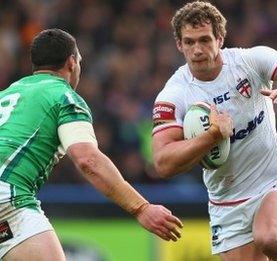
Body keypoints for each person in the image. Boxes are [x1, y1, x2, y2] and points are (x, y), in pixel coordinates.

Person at [151, 1, 277, 260]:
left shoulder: (250, 61)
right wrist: (212, 136)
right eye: (189, 42)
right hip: (227, 202)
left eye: (204, 40)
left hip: (274, 182)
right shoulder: (173, 95)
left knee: (271, 239)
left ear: (220, 38)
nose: (197, 50)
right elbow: (163, 163)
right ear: (179, 44)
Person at [0, 29, 183, 261]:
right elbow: (88, 160)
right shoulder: (64, 97)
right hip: (8, 199)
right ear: (72, 62)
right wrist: (141, 208)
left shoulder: (7, 94)